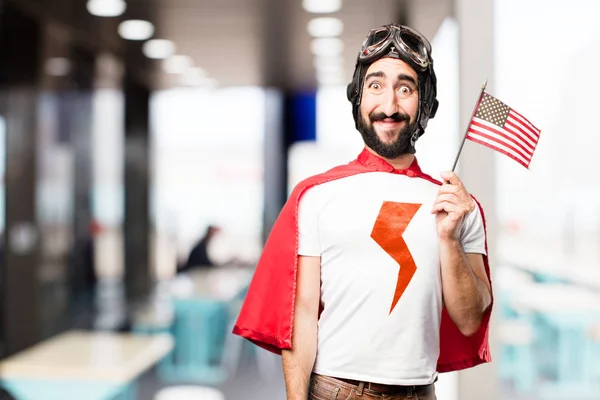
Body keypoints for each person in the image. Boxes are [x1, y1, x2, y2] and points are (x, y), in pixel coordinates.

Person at [233, 23, 493, 400]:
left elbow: (470, 322)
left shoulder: (458, 206)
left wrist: (448, 238)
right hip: (335, 391)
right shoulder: (317, 196)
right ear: (357, 97)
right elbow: (301, 316)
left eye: (405, 88)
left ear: (427, 104)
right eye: (375, 85)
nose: (389, 105)